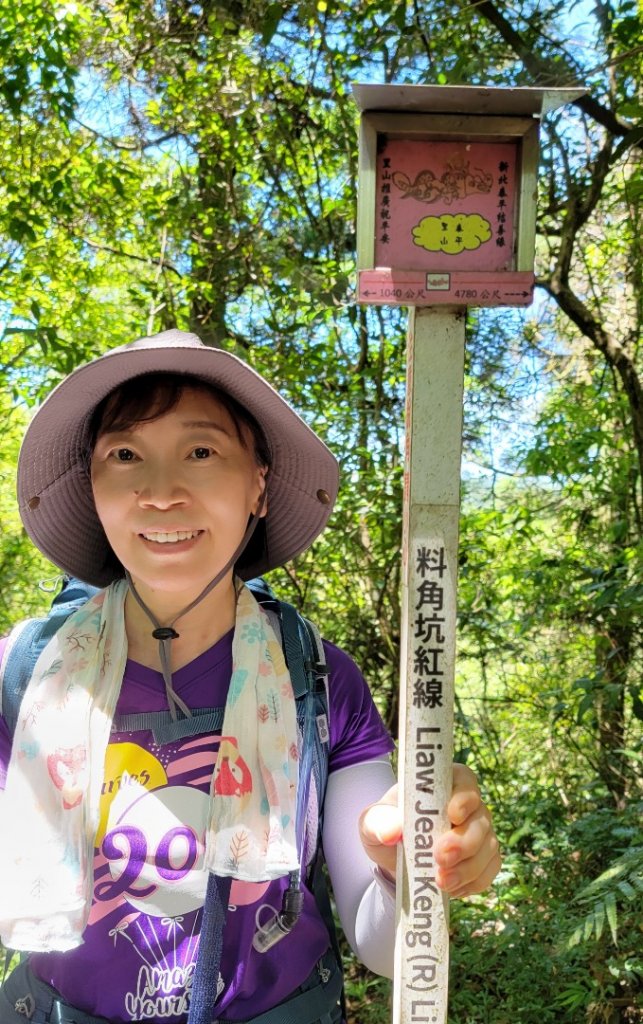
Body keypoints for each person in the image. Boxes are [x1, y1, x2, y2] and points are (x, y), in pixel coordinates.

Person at [0, 330, 500, 1024]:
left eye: (201, 451)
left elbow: (383, 944)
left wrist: (414, 864)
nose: (160, 492)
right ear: (94, 487)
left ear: (258, 485)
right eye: (124, 455)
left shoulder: (317, 680)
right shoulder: (22, 677)